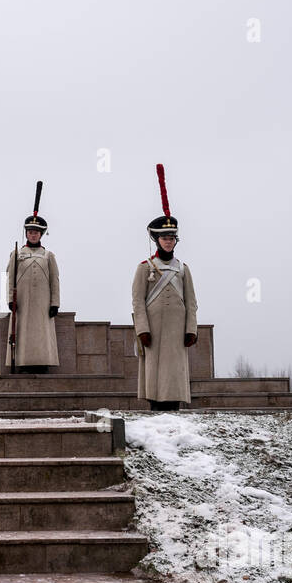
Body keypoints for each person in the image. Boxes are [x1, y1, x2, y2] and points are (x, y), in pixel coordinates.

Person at [132, 165, 198, 411]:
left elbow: (191, 302)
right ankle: (155, 405)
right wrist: (142, 329)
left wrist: (191, 329)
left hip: (177, 327)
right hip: (154, 327)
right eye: (164, 238)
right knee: (155, 369)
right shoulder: (144, 267)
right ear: (156, 239)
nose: (168, 241)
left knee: (174, 368)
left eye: (171, 238)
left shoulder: (183, 269)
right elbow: (138, 302)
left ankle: (174, 405)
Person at [5, 181, 59, 373]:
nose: (33, 234)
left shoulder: (49, 256)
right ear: (26, 233)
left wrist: (55, 303)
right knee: (24, 333)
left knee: (42, 333)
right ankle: (24, 363)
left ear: (41, 233)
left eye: (36, 232)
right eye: (30, 232)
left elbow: (55, 281)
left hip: (43, 302)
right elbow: (10, 278)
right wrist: (9, 300)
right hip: (23, 301)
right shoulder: (17, 254)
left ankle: (42, 362)